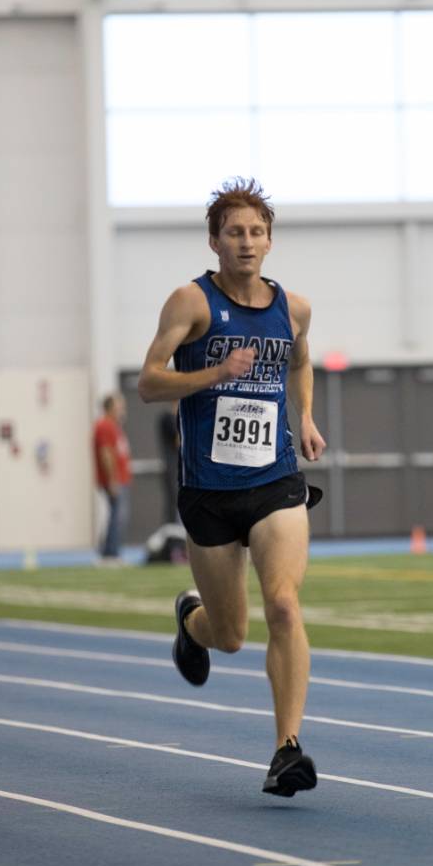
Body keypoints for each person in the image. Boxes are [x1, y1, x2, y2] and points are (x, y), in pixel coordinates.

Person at [138, 178, 326, 798]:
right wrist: (216, 372)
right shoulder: (190, 303)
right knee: (231, 636)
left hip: (275, 480)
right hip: (209, 491)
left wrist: (305, 417)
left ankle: (287, 749)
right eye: (234, 232)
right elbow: (149, 382)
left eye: (256, 232)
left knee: (284, 605)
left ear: (270, 241)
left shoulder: (293, 309)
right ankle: (191, 621)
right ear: (214, 241)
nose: (246, 242)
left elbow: (300, 359)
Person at [93, 393, 132, 562]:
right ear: (110, 408)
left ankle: (108, 550)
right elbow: (106, 454)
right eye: (119, 406)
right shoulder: (105, 426)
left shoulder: (114, 426)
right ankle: (111, 553)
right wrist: (112, 480)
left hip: (120, 478)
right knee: (118, 516)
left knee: (116, 515)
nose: (123, 410)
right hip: (115, 480)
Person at [157, 401, 180, 525]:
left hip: (179, 467)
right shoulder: (168, 419)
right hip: (173, 467)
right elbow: (179, 441)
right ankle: (172, 529)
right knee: (174, 500)